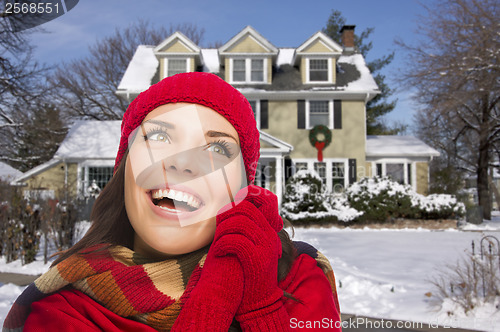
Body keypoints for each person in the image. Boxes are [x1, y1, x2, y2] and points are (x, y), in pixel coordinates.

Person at [4, 72, 341, 331]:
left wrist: (261, 310)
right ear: (124, 169)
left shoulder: (297, 279)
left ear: (244, 189)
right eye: (160, 136)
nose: (183, 162)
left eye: (218, 149)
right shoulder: (57, 307)